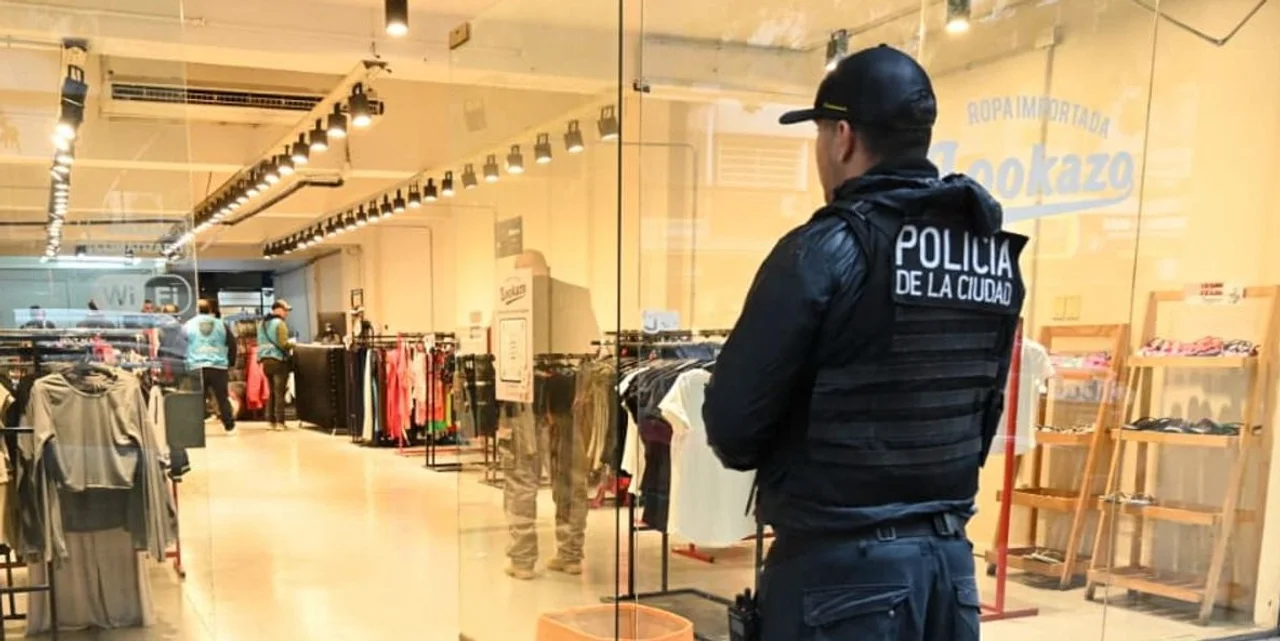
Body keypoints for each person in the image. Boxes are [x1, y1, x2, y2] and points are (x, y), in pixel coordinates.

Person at [702, 45, 1027, 641]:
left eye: (820, 133)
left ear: (843, 137)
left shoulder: (823, 251)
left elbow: (731, 429)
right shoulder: (990, 253)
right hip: (949, 575)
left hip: (839, 582)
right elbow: (978, 419)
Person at [184, 299, 236, 432]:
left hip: (196, 365)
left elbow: (181, 343)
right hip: (218, 366)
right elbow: (232, 343)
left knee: (198, 398)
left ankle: (197, 424)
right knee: (222, 397)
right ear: (210, 310)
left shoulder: (188, 324)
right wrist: (230, 362)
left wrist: (185, 362)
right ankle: (228, 423)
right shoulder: (221, 325)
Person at [256, 300, 293, 430]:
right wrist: (294, 344)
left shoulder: (261, 324)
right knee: (279, 392)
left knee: (271, 392)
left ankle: (270, 421)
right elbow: (283, 343)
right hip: (278, 360)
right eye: (285, 310)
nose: (287, 313)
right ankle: (280, 422)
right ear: (278, 310)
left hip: (265, 361)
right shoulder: (279, 323)